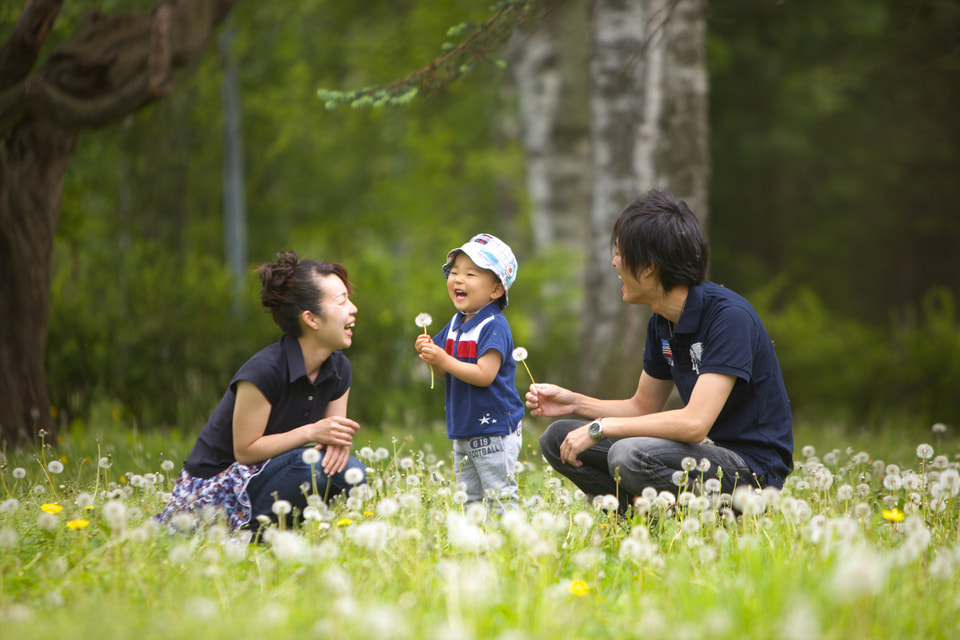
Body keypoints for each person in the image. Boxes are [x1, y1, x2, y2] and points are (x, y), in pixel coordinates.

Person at [529, 191, 793, 511]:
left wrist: (602, 427)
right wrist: (576, 402)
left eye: (618, 253)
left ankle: (713, 519)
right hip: (702, 456)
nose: (613, 262)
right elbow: (643, 407)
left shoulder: (728, 318)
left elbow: (695, 424)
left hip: (752, 470)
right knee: (558, 438)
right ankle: (639, 519)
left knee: (628, 454)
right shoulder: (662, 322)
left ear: (649, 267)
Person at [157, 250, 366, 531]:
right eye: (342, 301)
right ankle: (247, 531)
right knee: (312, 470)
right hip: (219, 485)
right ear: (311, 319)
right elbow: (245, 451)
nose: (353, 308)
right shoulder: (264, 371)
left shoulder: (339, 369)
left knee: (354, 473)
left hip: (274, 473)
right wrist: (312, 432)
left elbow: (332, 441)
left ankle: (281, 528)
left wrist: (335, 441)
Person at [415, 233, 526, 512]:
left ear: (496, 290)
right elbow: (444, 374)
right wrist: (432, 357)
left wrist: (443, 358)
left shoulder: (493, 326)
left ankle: (508, 542)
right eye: (454, 272)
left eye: (471, 274)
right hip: (464, 427)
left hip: (494, 429)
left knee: (499, 495)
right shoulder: (454, 323)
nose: (459, 279)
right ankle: (474, 546)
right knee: (469, 498)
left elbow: (484, 374)